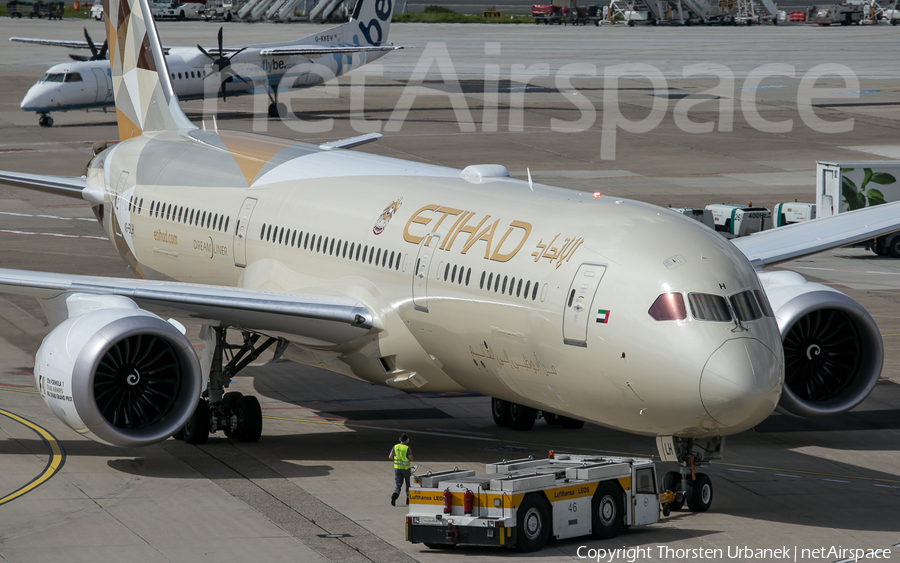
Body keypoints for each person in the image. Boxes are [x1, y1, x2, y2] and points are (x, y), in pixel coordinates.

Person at [389, 433, 414, 506]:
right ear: (407, 440)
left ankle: (394, 496)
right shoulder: (407, 448)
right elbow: (411, 458)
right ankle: (408, 499)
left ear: (400, 439)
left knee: (398, 484)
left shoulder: (395, 446)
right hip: (405, 469)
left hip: (397, 468)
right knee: (408, 484)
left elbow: (390, 457)